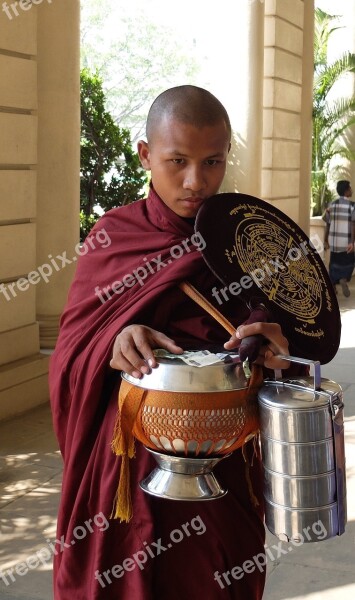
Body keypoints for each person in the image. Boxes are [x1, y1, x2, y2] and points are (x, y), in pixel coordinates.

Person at [49, 85, 293, 600]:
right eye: (176, 161)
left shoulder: (247, 244)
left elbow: (286, 353)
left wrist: (276, 350)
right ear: (145, 155)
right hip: (127, 457)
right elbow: (73, 350)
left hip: (221, 456)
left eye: (212, 162)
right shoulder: (115, 236)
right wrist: (114, 340)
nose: (195, 181)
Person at [323, 180, 355, 297]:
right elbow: (353, 224)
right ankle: (344, 278)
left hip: (334, 242)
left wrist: (325, 240)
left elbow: (327, 223)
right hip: (346, 242)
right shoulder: (352, 206)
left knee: (334, 264)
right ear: (346, 191)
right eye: (350, 188)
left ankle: (333, 286)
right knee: (349, 262)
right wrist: (352, 241)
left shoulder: (331, 205)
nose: (351, 190)